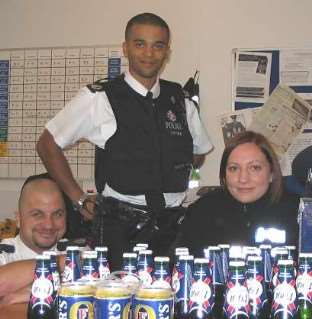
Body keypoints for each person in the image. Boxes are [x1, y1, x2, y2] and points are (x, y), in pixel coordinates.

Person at [36, 13, 213, 271]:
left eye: (158, 45)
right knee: (119, 306)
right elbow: (47, 144)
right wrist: (77, 198)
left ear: (167, 52)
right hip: (120, 231)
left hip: (173, 229)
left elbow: (198, 152)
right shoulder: (100, 98)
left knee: (172, 304)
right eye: (140, 44)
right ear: (126, 48)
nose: (149, 54)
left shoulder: (181, 100)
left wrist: (179, 171)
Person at [174, 131, 299, 257]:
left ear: (271, 173)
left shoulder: (297, 212)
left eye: (254, 168)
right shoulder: (201, 211)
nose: (243, 179)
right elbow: (177, 267)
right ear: (224, 175)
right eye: (234, 168)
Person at [0, 177, 66, 305]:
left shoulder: (76, 250)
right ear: (19, 219)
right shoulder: (4, 253)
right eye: (37, 214)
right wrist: (60, 262)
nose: (48, 225)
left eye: (57, 214)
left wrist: (32, 292)